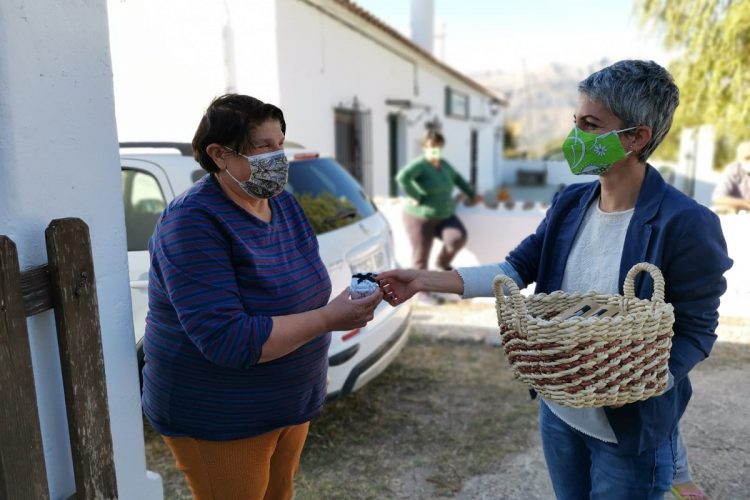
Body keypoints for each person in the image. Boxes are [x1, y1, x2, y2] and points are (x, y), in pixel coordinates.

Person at [378, 60, 731, 499]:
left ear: (636, 137)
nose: (575, 135)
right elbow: (512, 272)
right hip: (559, 412)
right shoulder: (570, 203)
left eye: (590, 124)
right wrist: (421, 279)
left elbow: (697, 329)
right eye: (575, 121)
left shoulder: (685, 223)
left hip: (630, 431)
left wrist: (643, 384)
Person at [141, 94, 382, 500]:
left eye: (281, 143)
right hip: (223, 417)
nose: (279, 156)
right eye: (263, 147)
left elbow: (303, 287)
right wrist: (329, 319)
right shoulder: (192, 223)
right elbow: (228, 339)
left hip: (288, 402)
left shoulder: (280, 203)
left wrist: (340, 313)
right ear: (219, 154)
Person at [396, 130, 482, 303]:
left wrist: (472, 195)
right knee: (421, 258)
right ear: (425, 148)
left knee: (457, 238)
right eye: (430, 146)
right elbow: (402, 177)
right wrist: (417, 195)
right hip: (420, 217)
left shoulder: (444, 165)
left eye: (437, 146)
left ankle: (442, 263)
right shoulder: (420, 165)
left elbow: (458, 179)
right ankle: (420, 293)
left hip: (444, 215)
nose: (434, 149)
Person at [711, 140, 750, 214]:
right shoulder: (733, 170)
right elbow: (718, 199)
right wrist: (744, 203)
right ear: (740, 159)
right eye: (747, 158)